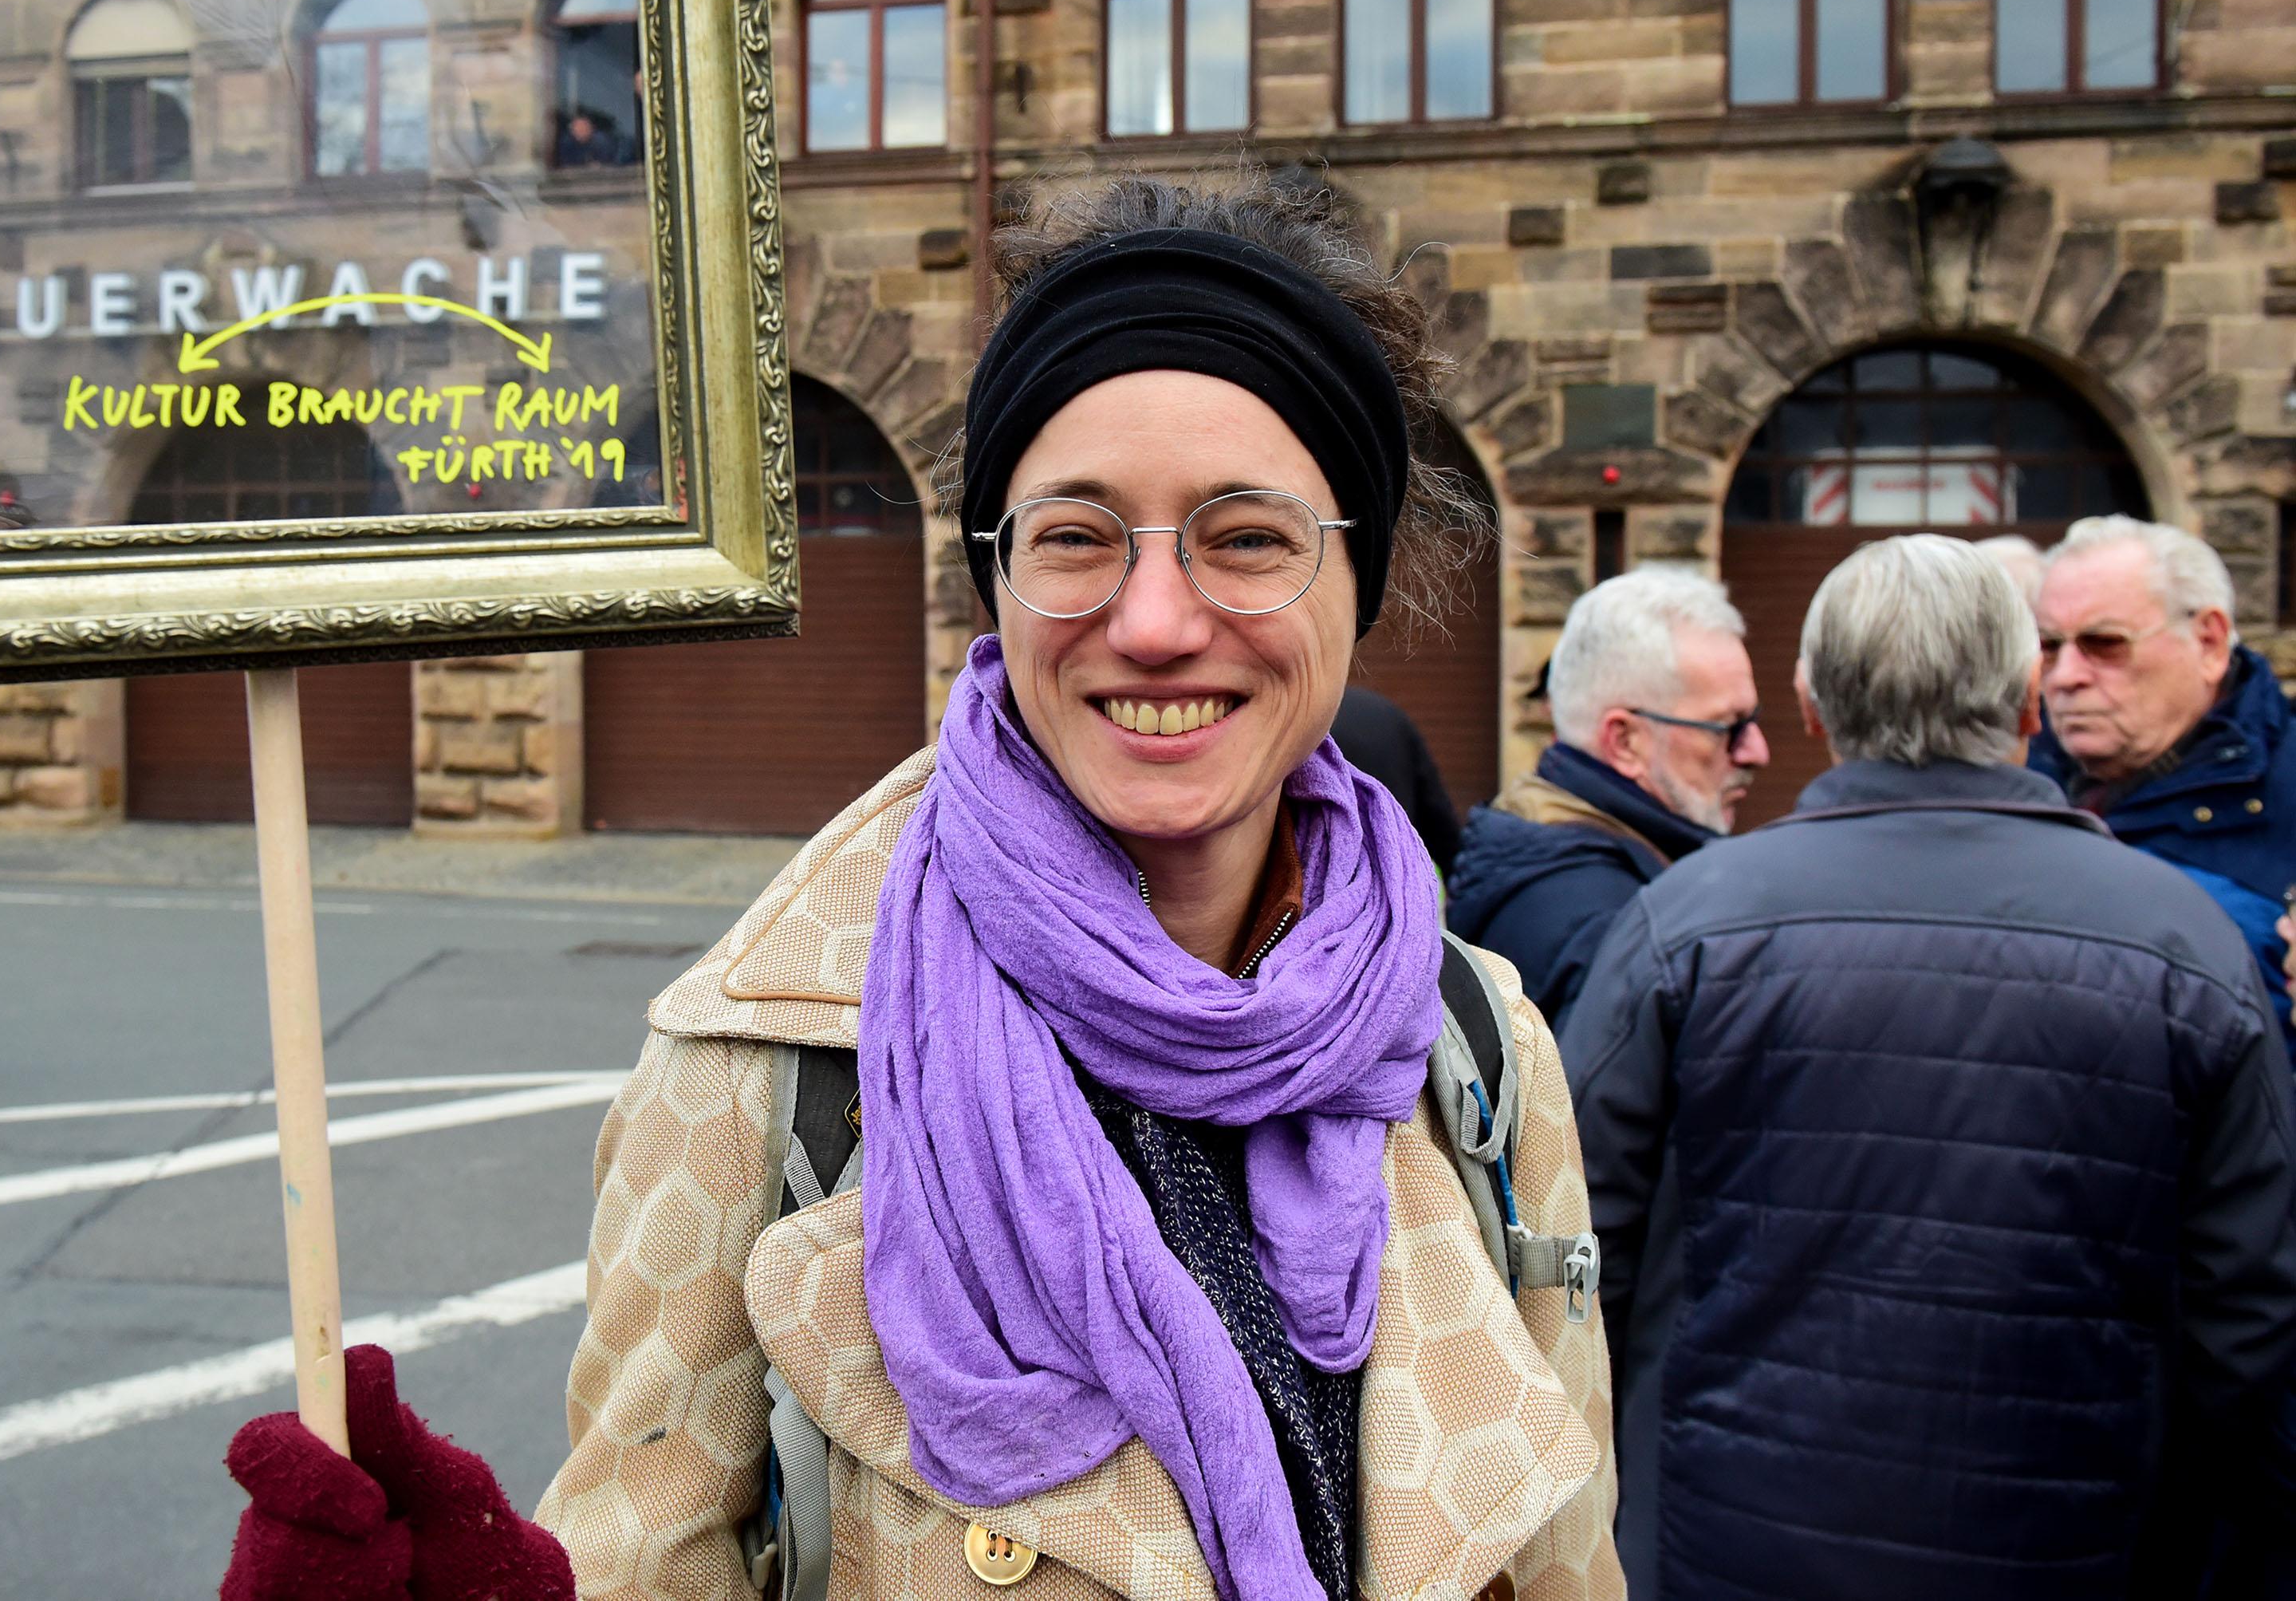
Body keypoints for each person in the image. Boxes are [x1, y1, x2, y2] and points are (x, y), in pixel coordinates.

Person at [218, 175, 1622, 1601]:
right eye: (1074, 536)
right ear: (995, 583)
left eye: (1246, 537)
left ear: (1354, 581)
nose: (1150, 621)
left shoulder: (1469, 1040)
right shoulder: (761, 1068)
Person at [1563, 534, 2296, 1601]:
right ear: (2028, 705)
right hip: (2079, 1546)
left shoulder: (1684, 925)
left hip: (1725, 1543)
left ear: (1810, 708)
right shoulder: (2184, 943)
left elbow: (1579, 1246)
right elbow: (2248, 1319)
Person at [1445, 569, 1766, 1030]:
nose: (1756, 751)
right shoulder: (1600, 923)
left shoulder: (1579, 862)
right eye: (1726, 727)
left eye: (1754, 719)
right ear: (1625, 741)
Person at [2030, 514, 2296, 1061]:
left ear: (2208, 642)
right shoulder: (2007, 788)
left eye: (2103, 643)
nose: (2064, 676)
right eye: (2049, 646)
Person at [1326, 683, 1459, 872]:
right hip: (1392, 861)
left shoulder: (1305, 722)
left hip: (1325, 865)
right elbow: (1436, 813)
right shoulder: (1388, 715)